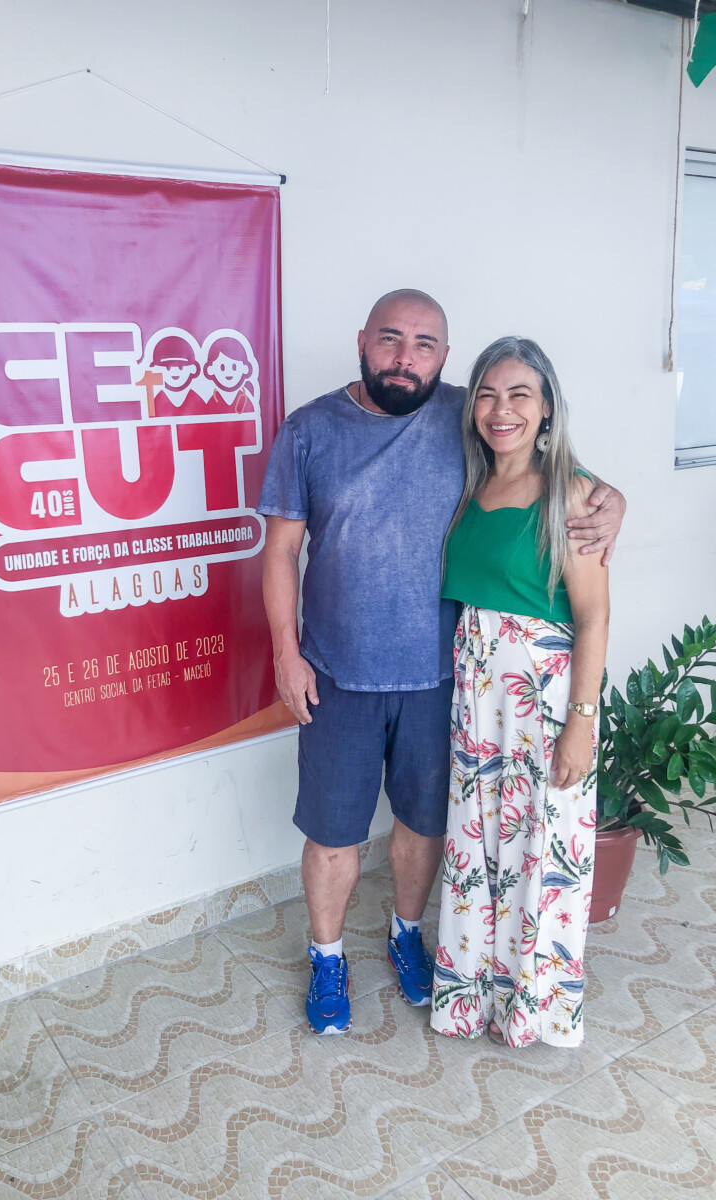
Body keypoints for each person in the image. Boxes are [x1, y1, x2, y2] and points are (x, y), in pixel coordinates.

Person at [256, 292, 623, 1036]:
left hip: (445, 682)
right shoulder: (309, 430)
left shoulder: (467, 415)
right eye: (390, 339)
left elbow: (550, 466)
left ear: (444, 358)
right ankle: (327, 957)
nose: (405, 357)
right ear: (362, 340)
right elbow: (282, 551)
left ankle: (406, 934)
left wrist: (613, 499)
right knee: (333, 835)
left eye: (424, 344)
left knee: (424, 828)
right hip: (337, 678)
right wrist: (286, 654)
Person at [430, 337, 609, 1048]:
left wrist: (581, 724)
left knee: (541, 848)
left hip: (543, 698)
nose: (500, 409)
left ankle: (532, 1008)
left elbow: (593, 615)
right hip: (478, 696)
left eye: (519, 394)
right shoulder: (468, 486)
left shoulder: (574, 494)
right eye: (487, 394)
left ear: (547, 409)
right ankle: (473, 995)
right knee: (479, 849)